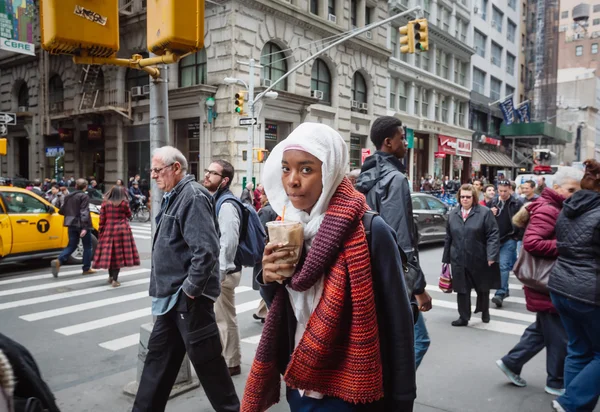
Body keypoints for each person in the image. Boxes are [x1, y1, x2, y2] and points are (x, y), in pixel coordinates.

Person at [242, 122, 416, 411]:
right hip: (300, 380)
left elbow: (398, 323)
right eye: (286, 168)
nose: (292, 180)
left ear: (331, 171)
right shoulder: (285, 228)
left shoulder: (371, 231)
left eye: (306, 169)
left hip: (354, 390)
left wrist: (402, 398)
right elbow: (287, 311)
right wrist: (268, 279)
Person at [133, 146, 239, 411]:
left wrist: (189, 292)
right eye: (152, 170)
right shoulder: (176, 195)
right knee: (157, 363)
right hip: (173, 300)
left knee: (210, 366)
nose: (154, 176)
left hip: (187, 301)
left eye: (158, 170)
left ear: (176, 168)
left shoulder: (192, 196)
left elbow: (206, 250)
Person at [496, 166, 583, 398]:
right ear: (556, 188)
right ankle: (555, 381)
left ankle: (511, 362)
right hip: (546, 281)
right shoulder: (549, 209)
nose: (576, 195)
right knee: (558, 334)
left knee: (543, 330)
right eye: (572, 190)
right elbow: (533, 242)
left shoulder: (555, 207)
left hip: (547, 281)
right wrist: (566, 247)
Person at [356, 116, 432, 370]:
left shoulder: (363, 176)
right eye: (402, 138)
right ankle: (395, 391)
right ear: (388, 142)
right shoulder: (396, 180)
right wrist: (418, 288)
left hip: (367, 273)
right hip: (394, 280)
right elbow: (401, 239)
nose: (406, 143)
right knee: (418, 341)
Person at [548, 159, 600, 412]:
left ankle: (573, 404)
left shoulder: (568, 208)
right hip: (588, 292)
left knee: (578, 349)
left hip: (561, 287)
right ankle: (571, 403)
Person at [202, 160, 243, 377]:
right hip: (222, 269)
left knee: (224, 317)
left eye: (212, 173)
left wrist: (220, 272)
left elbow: (229, 240)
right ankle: (228, 358)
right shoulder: (217, 199)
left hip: (224, 270)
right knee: (222, 316)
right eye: (207, 171)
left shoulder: (226, 204)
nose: (207, 175)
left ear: (224, 180)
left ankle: (231, 362)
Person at [443, 184, 500, 326]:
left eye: (468, 197)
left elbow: (493, 235)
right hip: (458, 258)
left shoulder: (484, 213)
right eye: (462, 197)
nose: (465, 199)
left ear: (473, 198)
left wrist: (491, 255)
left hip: (479, 257)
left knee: (482, 286)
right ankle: (463, 316)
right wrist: (446, 260)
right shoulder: (453, 214)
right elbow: (448, 238)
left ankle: (484, 310)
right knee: (461, 288)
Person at [92, 186, 140, 287]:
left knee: (111, 254)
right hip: (122, 230)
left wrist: (101, 230)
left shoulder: (105, 203)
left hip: (108, 229)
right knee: (118, 255)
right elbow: (129, 215)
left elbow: (102, 218)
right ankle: (115, 280)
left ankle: (110, 277)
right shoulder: (124, 203)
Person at [488, 180, 523, 308]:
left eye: (505, 191)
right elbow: (483, 218)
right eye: (500, 191)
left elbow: (523, 220)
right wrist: (489, 213)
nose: (502, 194)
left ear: (510, 190)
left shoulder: (516, 203)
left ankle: (500, 293)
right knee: (495, 266)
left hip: (509, 239)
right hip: (494, 239)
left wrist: (517, 237)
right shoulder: (492, 202)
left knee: (503, 265)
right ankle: (505, 289)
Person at [51, 179, 95, 277]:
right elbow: (84, 211)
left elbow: (61, 210)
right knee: (87, 246)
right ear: (85, 187)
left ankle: (59, 260)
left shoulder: (68, 196)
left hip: (70, 223)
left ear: (75, 186)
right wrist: (84, 227)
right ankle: (86, 268)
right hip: (81, 224)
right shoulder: (84, 196)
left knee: (72, 245)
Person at [252, 191, 278, 323]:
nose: (260, 197)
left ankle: (266, 313)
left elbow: (260, 233)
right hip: (274, 251)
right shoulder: (277, 208)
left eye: (262, 194)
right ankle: (262, 311)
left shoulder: (265, 211)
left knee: (265, 282)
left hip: (266, 252)